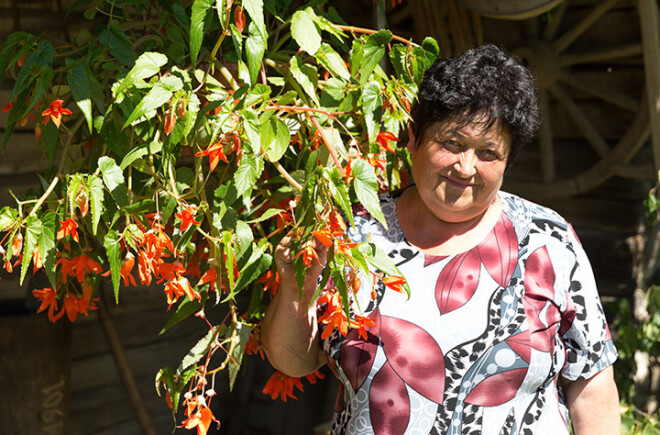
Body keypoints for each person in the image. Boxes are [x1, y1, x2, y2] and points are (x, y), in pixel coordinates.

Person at [260, 44, 620, 435]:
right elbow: (294, 362)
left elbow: (592, 389)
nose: (466, 167)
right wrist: (297, 282)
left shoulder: (548, 243)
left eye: (488, 152)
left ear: (507, 162)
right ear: (414, 138)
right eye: (452, 143)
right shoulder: (355, 233)